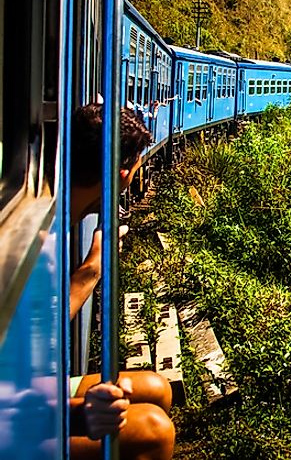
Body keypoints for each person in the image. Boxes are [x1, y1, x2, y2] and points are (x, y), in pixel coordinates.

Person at [69, 104, 175, 460]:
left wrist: (92, 268)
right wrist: (76, 415)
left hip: (31, 389)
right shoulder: (32, 235)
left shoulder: (62, 216)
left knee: (157, 388)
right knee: (154, 431)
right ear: (123, 172)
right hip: (18, 413)